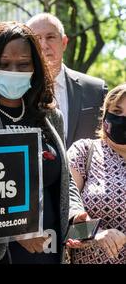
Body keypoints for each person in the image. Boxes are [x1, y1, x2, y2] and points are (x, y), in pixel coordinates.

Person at [0, 22, 86, 264]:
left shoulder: (49, 116)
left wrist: (75, 212)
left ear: (35, 68)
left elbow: (64, 177)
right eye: (3, 64)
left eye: (23, 64)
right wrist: (13, 228)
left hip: (48, 252)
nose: (14, 71)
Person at [26, 13, 107, 148]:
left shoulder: (96, 90)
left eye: (50, 37)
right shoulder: (16, 91)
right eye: (36, 38)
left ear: (64, 43)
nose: (43, 45)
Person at [67, 83, 126, 264]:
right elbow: (61, 220)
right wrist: (95, 233)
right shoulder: (84, 152)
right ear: (105, 114)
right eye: (116, 111)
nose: (123, 119)